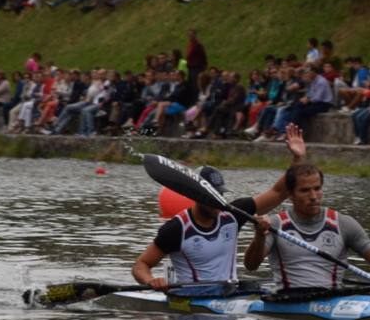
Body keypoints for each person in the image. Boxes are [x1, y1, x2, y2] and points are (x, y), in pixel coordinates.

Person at [131, 125, 307, 293]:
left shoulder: (233, 214)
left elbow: (279, 192)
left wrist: (298, 158)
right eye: (212, 196)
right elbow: (140, 265)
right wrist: (151, 280)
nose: (218, 201)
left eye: (220, 194)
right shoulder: (177, 228)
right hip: (193, 300)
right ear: (196, 196)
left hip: (230, 294)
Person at [243, 162, 370, 299]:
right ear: (291, 195)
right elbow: (251, 265)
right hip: (288, 299)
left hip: (332, 299)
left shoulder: (343, 223)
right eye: (305, 190)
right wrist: (259, 236)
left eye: (317, 188)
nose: (313, 196)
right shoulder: (275, 224)